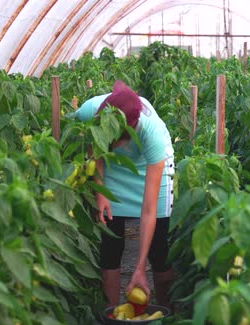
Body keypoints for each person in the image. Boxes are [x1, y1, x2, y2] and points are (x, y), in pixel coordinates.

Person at [74, 80, 175, 309]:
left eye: (115, 141)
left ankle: (168, 312)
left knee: (159, 246)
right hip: (113, 171)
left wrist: (140, 269)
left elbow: (148, 209)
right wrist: (100, 191)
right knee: (110, 239)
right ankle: (111, 314)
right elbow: (93, 147)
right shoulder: (91, 110)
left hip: (149, 168)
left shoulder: (152, 134)